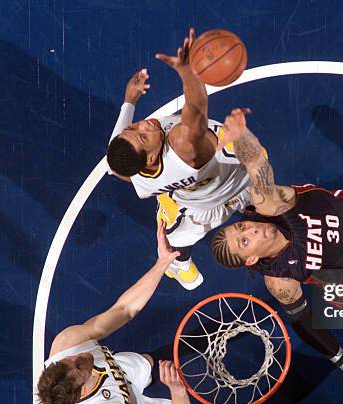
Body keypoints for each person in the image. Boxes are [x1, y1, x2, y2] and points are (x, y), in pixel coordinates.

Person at [210, 108, 343, 404]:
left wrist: (240, 137)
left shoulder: (268, 204)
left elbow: (256, 164)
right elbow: (303, 322)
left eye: (240, 228)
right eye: (245, 240)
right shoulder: (280, 280)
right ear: (251, 258)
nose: (250, 228)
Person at [106, 28, 250, 290]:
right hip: (201, 207)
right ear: (150, 159)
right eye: (143, 137)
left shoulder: (130, 163)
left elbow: (114, 166)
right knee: (178, 239)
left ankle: (170, 203)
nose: (145, 125)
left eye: (134, 128)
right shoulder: (183, 147)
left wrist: (129, 102)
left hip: (232, 174)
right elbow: (197, 106)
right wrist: (187, 70)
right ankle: (178, 266)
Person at [36, 221, 192, 404]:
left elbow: (124, 310)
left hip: (125, 373)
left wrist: (162, 262)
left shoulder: (67, 343)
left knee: (167, 353)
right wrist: (178, 392)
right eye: (80, 365)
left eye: (68, 360)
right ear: (81, 387)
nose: (80, 355)